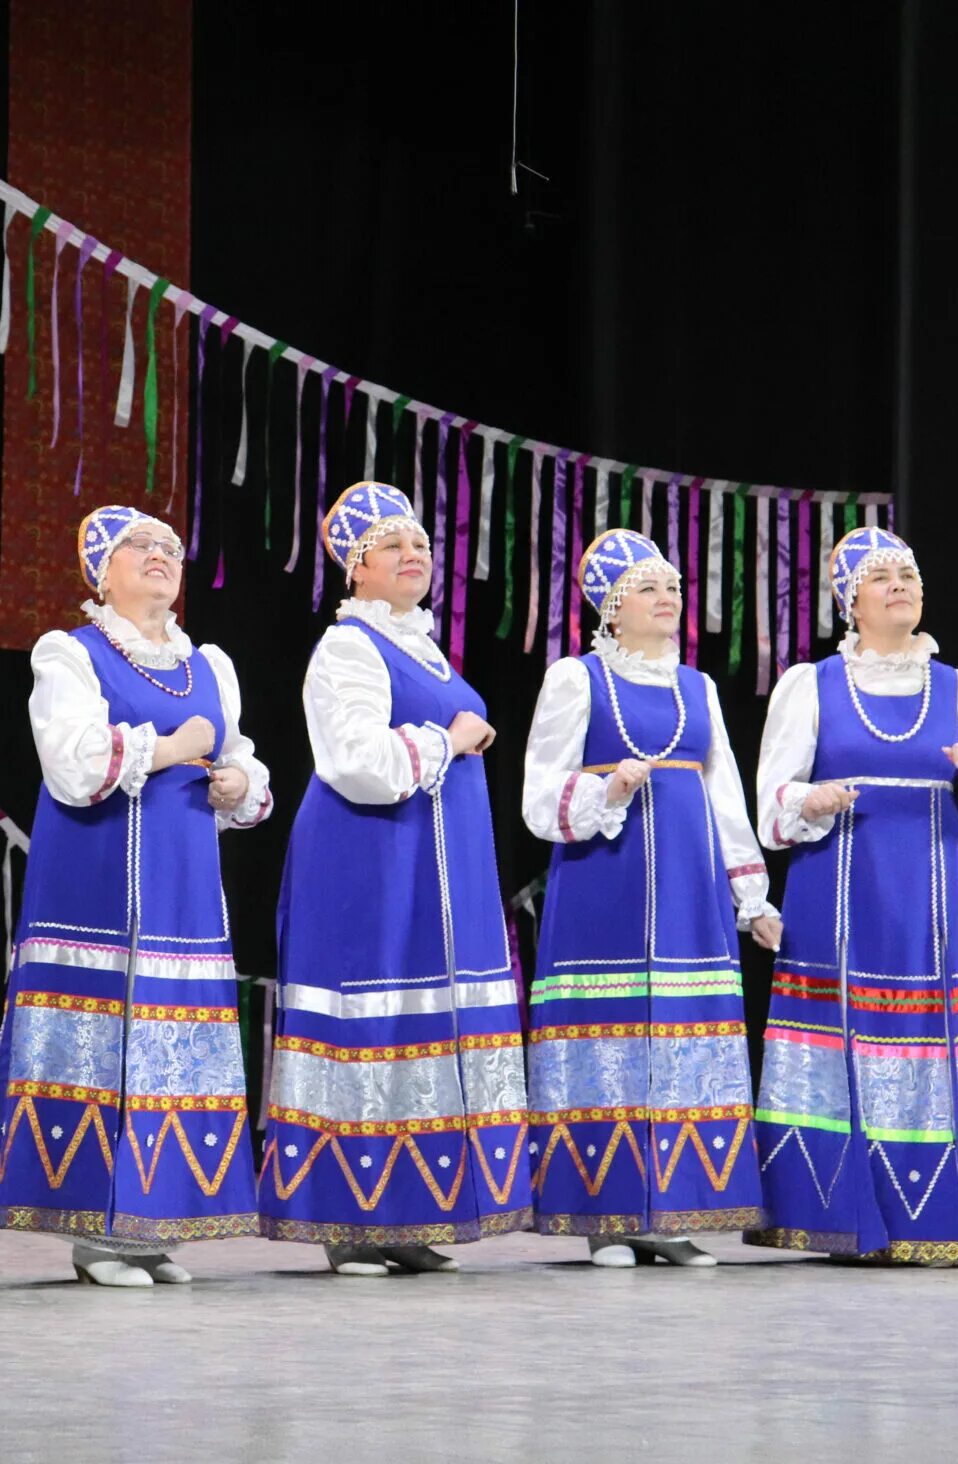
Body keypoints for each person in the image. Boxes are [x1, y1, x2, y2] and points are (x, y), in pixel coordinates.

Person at [0, 505, 272, 1287]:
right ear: (100, 572)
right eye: (140, 546)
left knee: (167, 1048)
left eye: (172, 547)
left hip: (182, 888)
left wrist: (241, 782)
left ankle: (150, 1228)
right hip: (95, 883)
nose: (161, 555)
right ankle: (98, 1234)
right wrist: (169, 748)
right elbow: (71, 764)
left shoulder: (208, 663)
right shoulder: (70, 653)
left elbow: (241, 757)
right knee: (104, 1043)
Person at [259, 482, 533, 1276]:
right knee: (371, 1017)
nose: (415, 554)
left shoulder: (423, 644)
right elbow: (357, 764)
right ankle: (347, 1218)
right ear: (356, 569)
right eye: (393, 547)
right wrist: (447, 740)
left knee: (428, 1020)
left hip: (438, 865)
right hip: (371, 859)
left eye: (420, 542)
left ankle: (407, 1211)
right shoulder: (349, 646)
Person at [746, 525, 958, 1265]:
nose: (901, 585)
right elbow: (772, 806)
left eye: (908, 573)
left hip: (933, 894)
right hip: (838, 888)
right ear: (852, 602)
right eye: (882, 578)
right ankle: (836, 1215)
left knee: (925, 1036)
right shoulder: (808, 685)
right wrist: (809, 801)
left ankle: (930, 1218)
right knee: (840, 1034)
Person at [520, 529, 776, 1266]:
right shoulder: (577, 679)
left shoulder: (698, 687)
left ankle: (672, 1211)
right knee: (614, 1033)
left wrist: (750, 895)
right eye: (650, 588)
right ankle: (606, 1215)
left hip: (689, 890)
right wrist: (608, 789)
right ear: (611, 606)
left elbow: (724, 793)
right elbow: (540, 793)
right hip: (607, 877)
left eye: (674, 588)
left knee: (682, 1036)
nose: (668, 599)